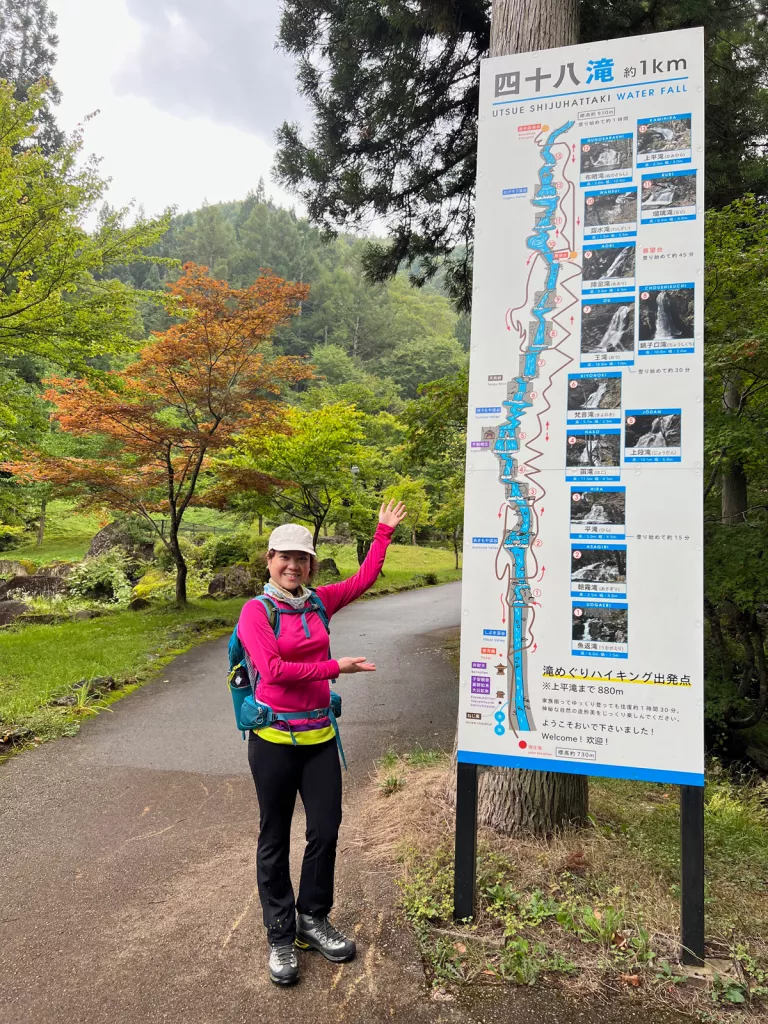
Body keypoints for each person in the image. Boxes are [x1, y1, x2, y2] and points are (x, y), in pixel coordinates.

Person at [236, 500, 408, 986]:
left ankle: (312, 919)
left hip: (318, 738)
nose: (293, 565)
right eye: (283, 557)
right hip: (272, 740)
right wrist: (337, 668)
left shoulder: (317, 602)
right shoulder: (256, 611)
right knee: (274, 837)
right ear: (269, 560)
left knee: (326, 830)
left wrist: (383, 533)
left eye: (302, 558)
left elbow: (362, 580)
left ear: (311, 564)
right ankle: (279, 932)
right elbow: (272, 671)